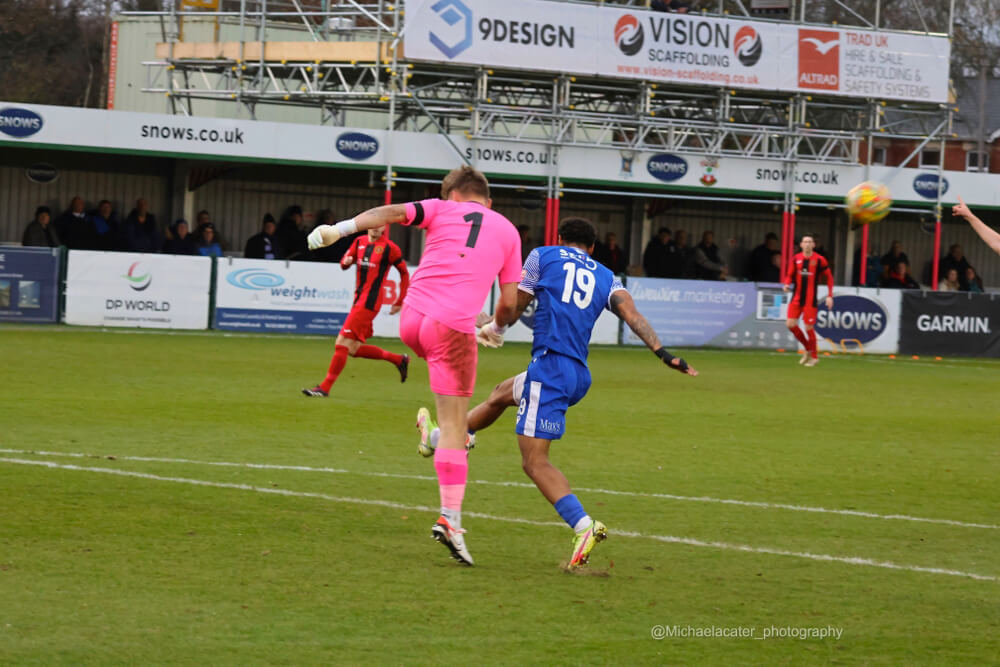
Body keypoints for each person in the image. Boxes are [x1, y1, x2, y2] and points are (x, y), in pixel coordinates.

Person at [417, 217, 697, 570]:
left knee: (534, 461)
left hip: (550, 369)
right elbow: (632, 315)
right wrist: (663, 353)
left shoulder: (543, 255)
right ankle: (445, 436)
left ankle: (584, 525)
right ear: (592, 248)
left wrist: (491, 326)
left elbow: (515, 306)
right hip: (577, 373)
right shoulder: (607, 275)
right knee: (502, 393)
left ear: (560, 238)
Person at [306, 165, 522, 566]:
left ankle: (433, 437)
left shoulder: (440, 209)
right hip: (452, 329)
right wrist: (495, 326)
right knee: (460, 428)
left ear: (452, 195)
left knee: (451, 425)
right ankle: (451, 518)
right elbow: (509, 303)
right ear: (487, 201)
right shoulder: (507, 230)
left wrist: (339, 230)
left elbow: (388, 214)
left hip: (412, 323)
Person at [302, 224, 411, 397]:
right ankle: (399, 359)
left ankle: (324, 388)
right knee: (352, 349)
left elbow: (405, 274)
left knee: (341, 343)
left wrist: (400, 300)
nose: (376, 228)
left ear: (384, 228)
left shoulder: (390, 248)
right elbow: (345, 262)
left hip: (370, 303)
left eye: (380, 226)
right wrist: (346, 262)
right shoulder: (358, 242)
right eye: (374, 225)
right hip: (358, 299)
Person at [782, 233, 834, 367]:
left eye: (810, 242)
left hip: (810, 300)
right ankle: (808, 349)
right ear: (801, 245)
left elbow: (829, 277)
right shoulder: (796, 259)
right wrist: (787, 284)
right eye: (805, 242)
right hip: (797, 298)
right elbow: (789, 275)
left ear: (814, 245)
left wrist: (829, 295)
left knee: (808, 327)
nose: (807, 244)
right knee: (790, 324)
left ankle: (814, 357)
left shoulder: (820, 260)